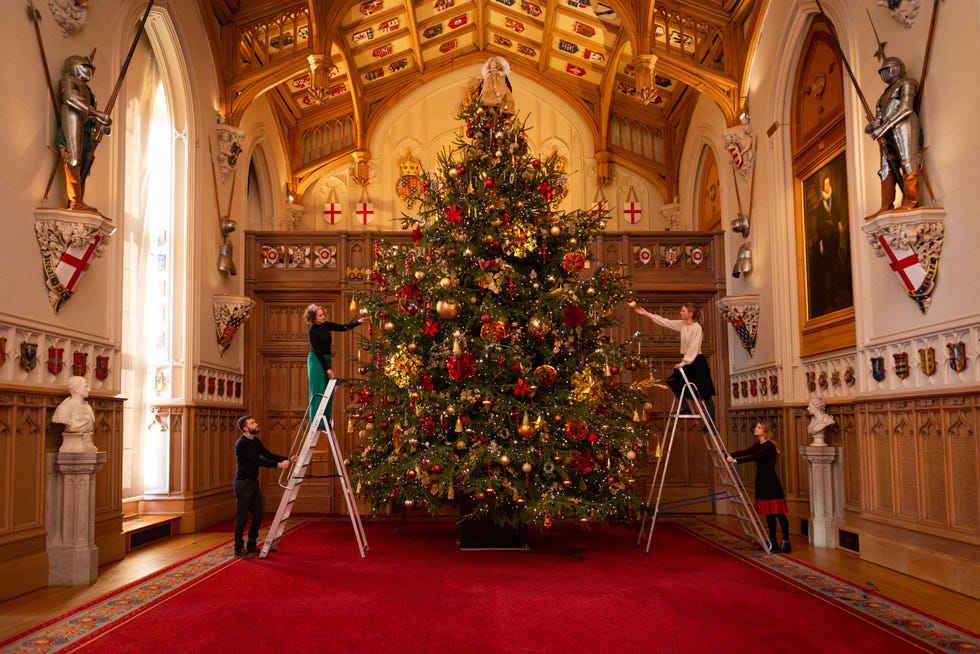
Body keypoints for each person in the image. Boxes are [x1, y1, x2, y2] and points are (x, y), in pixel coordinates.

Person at [633, 303, 716, 424]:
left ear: (690, 314)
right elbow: (666, 322)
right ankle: (685, 407)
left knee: (704, 394)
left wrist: (684, 362)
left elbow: (694, 347)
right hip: (688, 361)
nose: (681, 313)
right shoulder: (682, 325)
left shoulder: (697, 327)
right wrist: (647, 314)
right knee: (674, 382)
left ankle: (711, 424)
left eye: (683, 311)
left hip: (697, 362)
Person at [865, 56, 922, 216]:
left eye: (887, 70)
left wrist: (883, 128)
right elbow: (878, 119)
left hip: (905, 125)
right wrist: (872, 127)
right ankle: (886, 205)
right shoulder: (883, 96)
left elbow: (905, 108)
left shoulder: (906, 83)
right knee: (885, 168)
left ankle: (912, 200)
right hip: (887, 131)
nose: (885, 74)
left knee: (907, 161)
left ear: (896, 68)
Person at [233, 415, 296, 558]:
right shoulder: (241, 443)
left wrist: (287, 459)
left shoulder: (254, 441)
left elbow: (268, 454)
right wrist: (278, 465)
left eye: (255, 421)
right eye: (252, 423)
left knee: (258, 514)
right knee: (241, 516)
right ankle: (238, 548)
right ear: (245, 428)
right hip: (243, 483)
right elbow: (256, 461)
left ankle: (251, 544)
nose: (256, 424)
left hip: (253, 483)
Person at [58, 54, 112, 212]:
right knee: (74, 159)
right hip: (72, 118)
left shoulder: (89, 91)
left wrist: (101, 122)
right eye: (85, 67)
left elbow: (90, 113)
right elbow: (70, 98)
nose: (88, 71)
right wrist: (97, 114)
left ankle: (79, 199)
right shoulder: (69, 80)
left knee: (85, 163)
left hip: (86, 127)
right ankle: (75, 201)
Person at [726, 422, 791, 553]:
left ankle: (786, 542)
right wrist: (728, 454)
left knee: (778, 513)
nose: (755, 428)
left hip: (771, 482)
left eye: (759, 427)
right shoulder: (758, 445)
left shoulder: (768, 446)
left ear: (765, 431)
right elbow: (746, 452)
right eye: (756, 426)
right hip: (761, 481)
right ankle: (772, 540)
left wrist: (735, 461)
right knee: (769, 514)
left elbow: (754, 457)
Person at [306, 304, 368, 428]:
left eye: (323, 314)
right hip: (317, 360)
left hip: (326, 360)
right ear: (313, 318)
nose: (323, 317)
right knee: (318, 390)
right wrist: (327, 368)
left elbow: (342, 327)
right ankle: (317, 422)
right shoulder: (312, 332)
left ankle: (325, 419)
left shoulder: (326, 325)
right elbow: (317, 351)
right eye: (320, 315)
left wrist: (358, 322)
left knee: (327, 390)